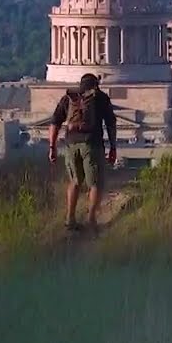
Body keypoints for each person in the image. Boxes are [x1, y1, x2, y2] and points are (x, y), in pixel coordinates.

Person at [48, 72, 117, 233]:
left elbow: (55, 123)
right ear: (95, 85)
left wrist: (52, 147)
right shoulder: (100, 98)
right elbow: (111, 124)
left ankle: (70, 219)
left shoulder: (69, 98)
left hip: (71, 144)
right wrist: (113, 147)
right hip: (92, 144)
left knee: (75, 181)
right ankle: (91, 220)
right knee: (95, 184)